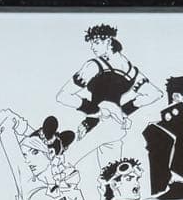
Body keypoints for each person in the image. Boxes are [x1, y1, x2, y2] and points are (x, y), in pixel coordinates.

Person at [57, 24, 162, 164]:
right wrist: (122, 112)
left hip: (97, 126)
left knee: (64, 165)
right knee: (110, 171)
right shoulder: (129, 69)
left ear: (108, 41)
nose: (92, 47)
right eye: (91, 43)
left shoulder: (94, 65)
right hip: (117, 128)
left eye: (96, 42)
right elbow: (154, 94)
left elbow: (63, 96)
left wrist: (96, 111)